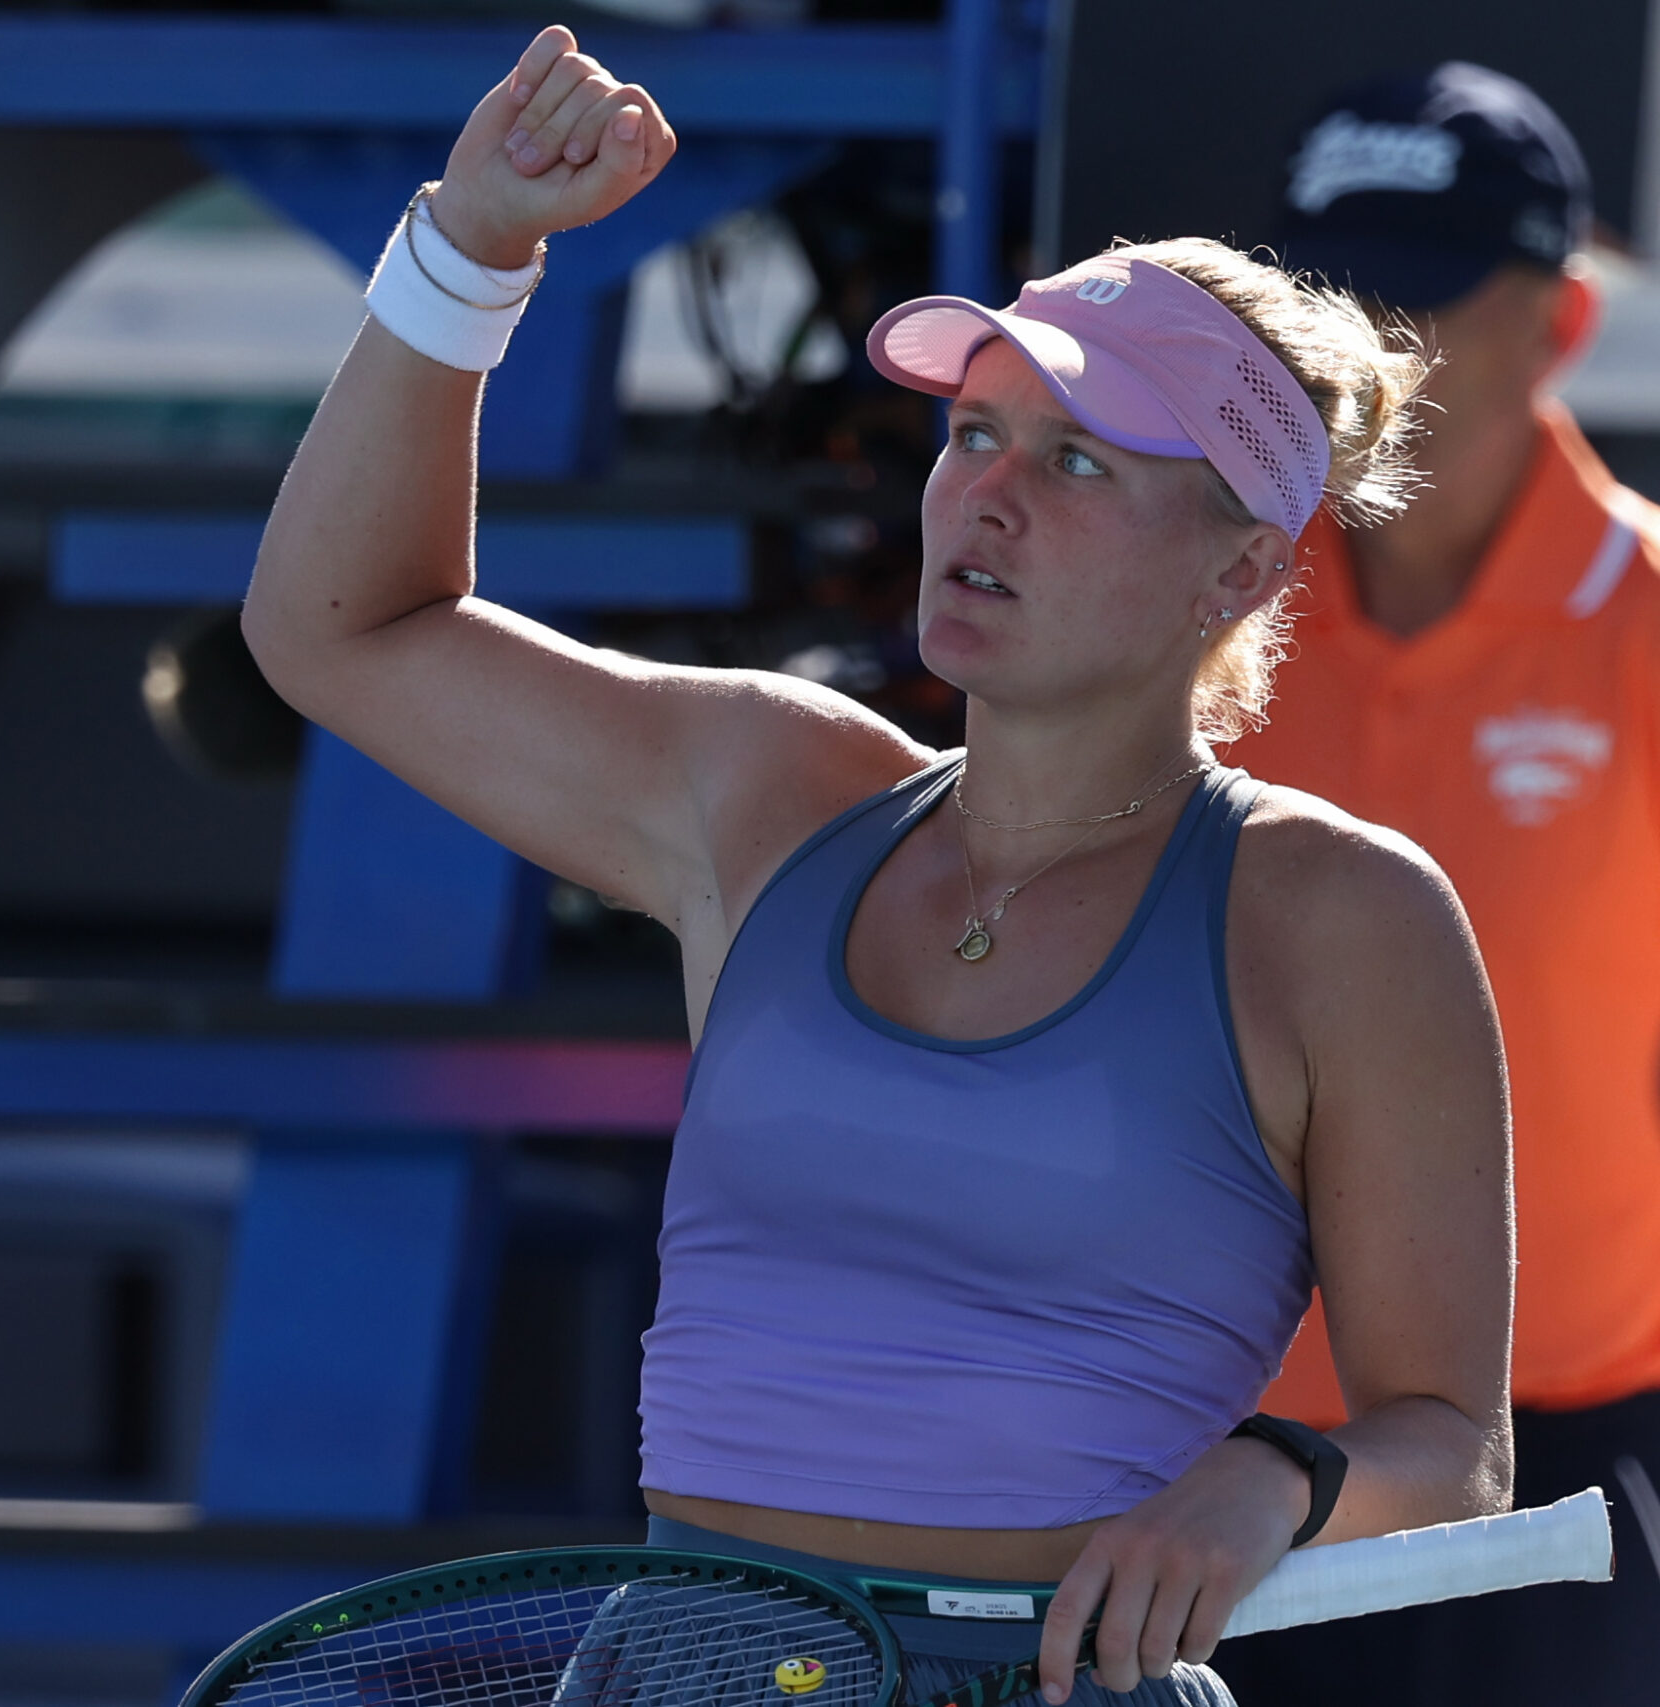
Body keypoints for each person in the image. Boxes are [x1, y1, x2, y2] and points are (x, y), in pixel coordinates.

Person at [242, 27, 1513, 1705]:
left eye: (1076, 461)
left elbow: (1452, 1441)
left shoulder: (1345, 914)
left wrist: (1274, 1477)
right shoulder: (772, 794)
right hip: (682, 1673)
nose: (987, 496)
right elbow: (334, 627)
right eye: (972, 433)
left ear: (1239, 575)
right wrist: (472, 251)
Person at [1204, 62, 1660, 1705]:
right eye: (1329, 308)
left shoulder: (1650, 614)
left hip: (1580, 1449)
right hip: (1226, 1453)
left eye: (1423, 306)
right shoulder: (1196, 606)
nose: (1367, 360)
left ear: (1560, 322)